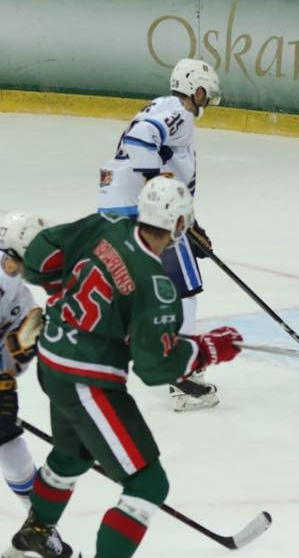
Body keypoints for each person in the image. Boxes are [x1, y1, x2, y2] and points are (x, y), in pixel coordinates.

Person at [4, 177, 244, 558]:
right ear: (179, 225)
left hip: (53, 360)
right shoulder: (156, 286)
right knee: (148, 484)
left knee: (72, 454)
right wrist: (208, 349)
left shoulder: (106, 225)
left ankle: (38, 527)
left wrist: (60, 289)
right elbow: (156, 367)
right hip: (88, 379)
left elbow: (40, 256)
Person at [97, 58, 222, 411]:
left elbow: (162, 164)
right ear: (195, 89)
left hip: (118, 206)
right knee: (183, 291)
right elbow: (140, 142)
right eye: (206, 93)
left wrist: (191, 222)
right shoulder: (178, 113)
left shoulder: (163, 109)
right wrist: (162, 196)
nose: (207, 101)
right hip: (149, 213)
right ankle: (181, 375)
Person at [0, 213, 50, 513]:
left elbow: (17, 349)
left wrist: (5, 382)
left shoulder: (19, 290)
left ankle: (41, 527)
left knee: (10, 444)